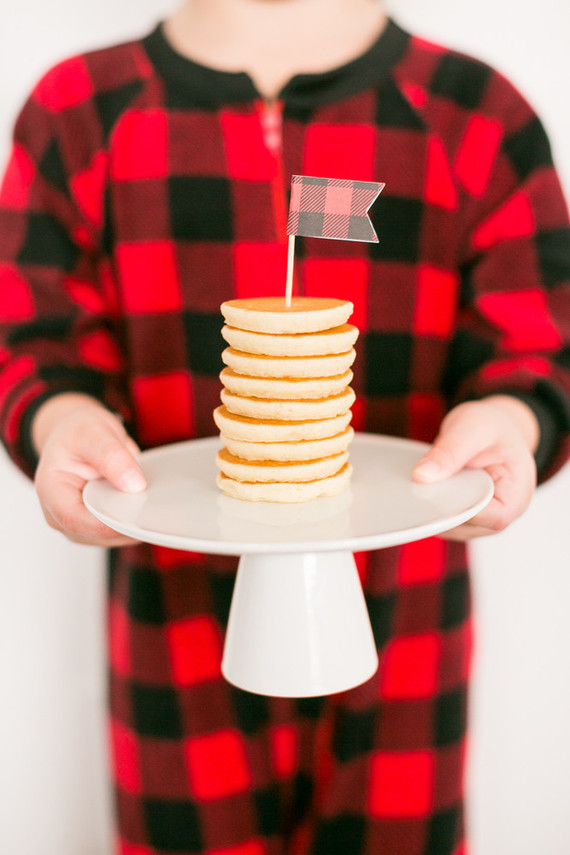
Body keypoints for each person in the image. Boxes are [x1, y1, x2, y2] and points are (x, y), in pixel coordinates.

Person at [0, 0, 569, 852]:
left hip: (407, 616)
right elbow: (30, 338)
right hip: (172, 615)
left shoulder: (476, 112)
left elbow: (541, 338)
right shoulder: (79, 111)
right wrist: (60, 419)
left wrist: (513, 420)